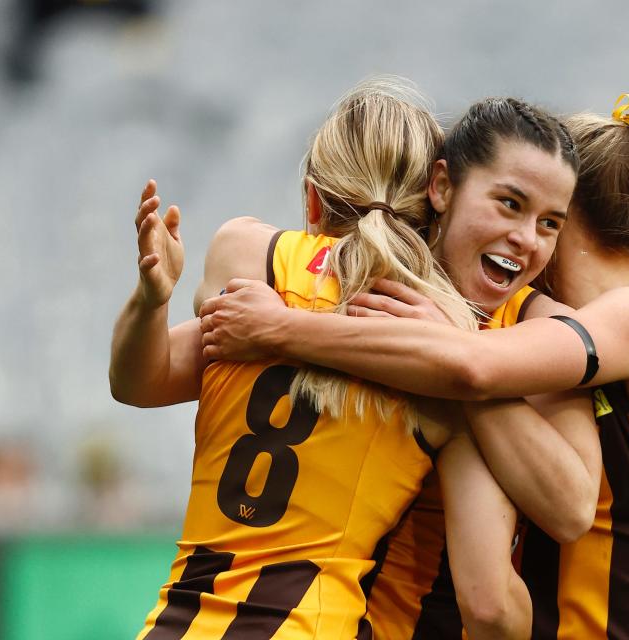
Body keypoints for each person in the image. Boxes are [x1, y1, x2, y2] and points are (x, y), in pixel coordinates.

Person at [198, 14, 629, 639]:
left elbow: (472, 372)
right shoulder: (560, 347)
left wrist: (283, 330)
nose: (522, 247)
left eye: (544, 221)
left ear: (572, 229)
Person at [111, 80, 589, 639]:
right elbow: (493, 605)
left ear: (313, 199)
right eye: (509, 203)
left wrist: (156, 301)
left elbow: (137, 382)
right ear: (435, 196)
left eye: (549, 223)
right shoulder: (448, 370)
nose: (527, 237)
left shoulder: (254, 266)